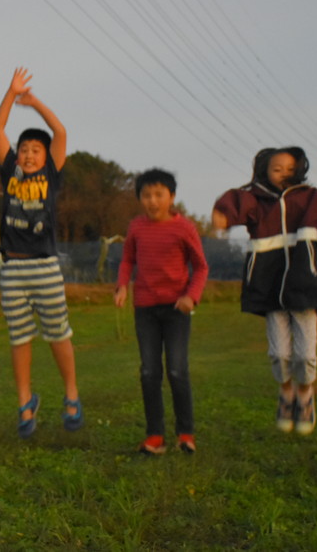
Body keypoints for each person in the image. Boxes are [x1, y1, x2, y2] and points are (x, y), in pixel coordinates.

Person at [212, 147, 317, 435]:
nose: (283, 174)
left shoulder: (313, 200)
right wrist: (223, 215)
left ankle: (305, 394)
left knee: (305, 355)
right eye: (277, 169)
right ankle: (285, 392)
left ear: (300, 170)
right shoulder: (256, 200)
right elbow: (234, 201)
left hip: (304, 284)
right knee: (279, 354)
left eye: (290, 169)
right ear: (265, 171)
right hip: (269, 286)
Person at [0, 67, 82, 439]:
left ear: (46, 157)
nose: (28, 155)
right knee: (19, 338)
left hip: (45, 266)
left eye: (35, 150)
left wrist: (34, 103)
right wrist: (10, 94)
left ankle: (71, 395)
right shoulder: (10, 172)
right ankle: (25, 402)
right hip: (12, 267)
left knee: (58, 333)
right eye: (24, 150)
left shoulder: (51, 174)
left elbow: (60, 132)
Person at [115, 168, 209, 455]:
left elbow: (201, 267)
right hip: (145, 309)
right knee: (149, 372)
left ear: (172, 197)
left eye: (159, 195)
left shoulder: (184, 228)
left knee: (177, 371)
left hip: (176, 310)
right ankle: (155, 436)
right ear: (140, 198)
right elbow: (127, 260)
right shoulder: (136, 227)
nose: (153, 201)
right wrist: (122, 286)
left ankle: (185, 434)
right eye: (146, 195)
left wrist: (191, 296)